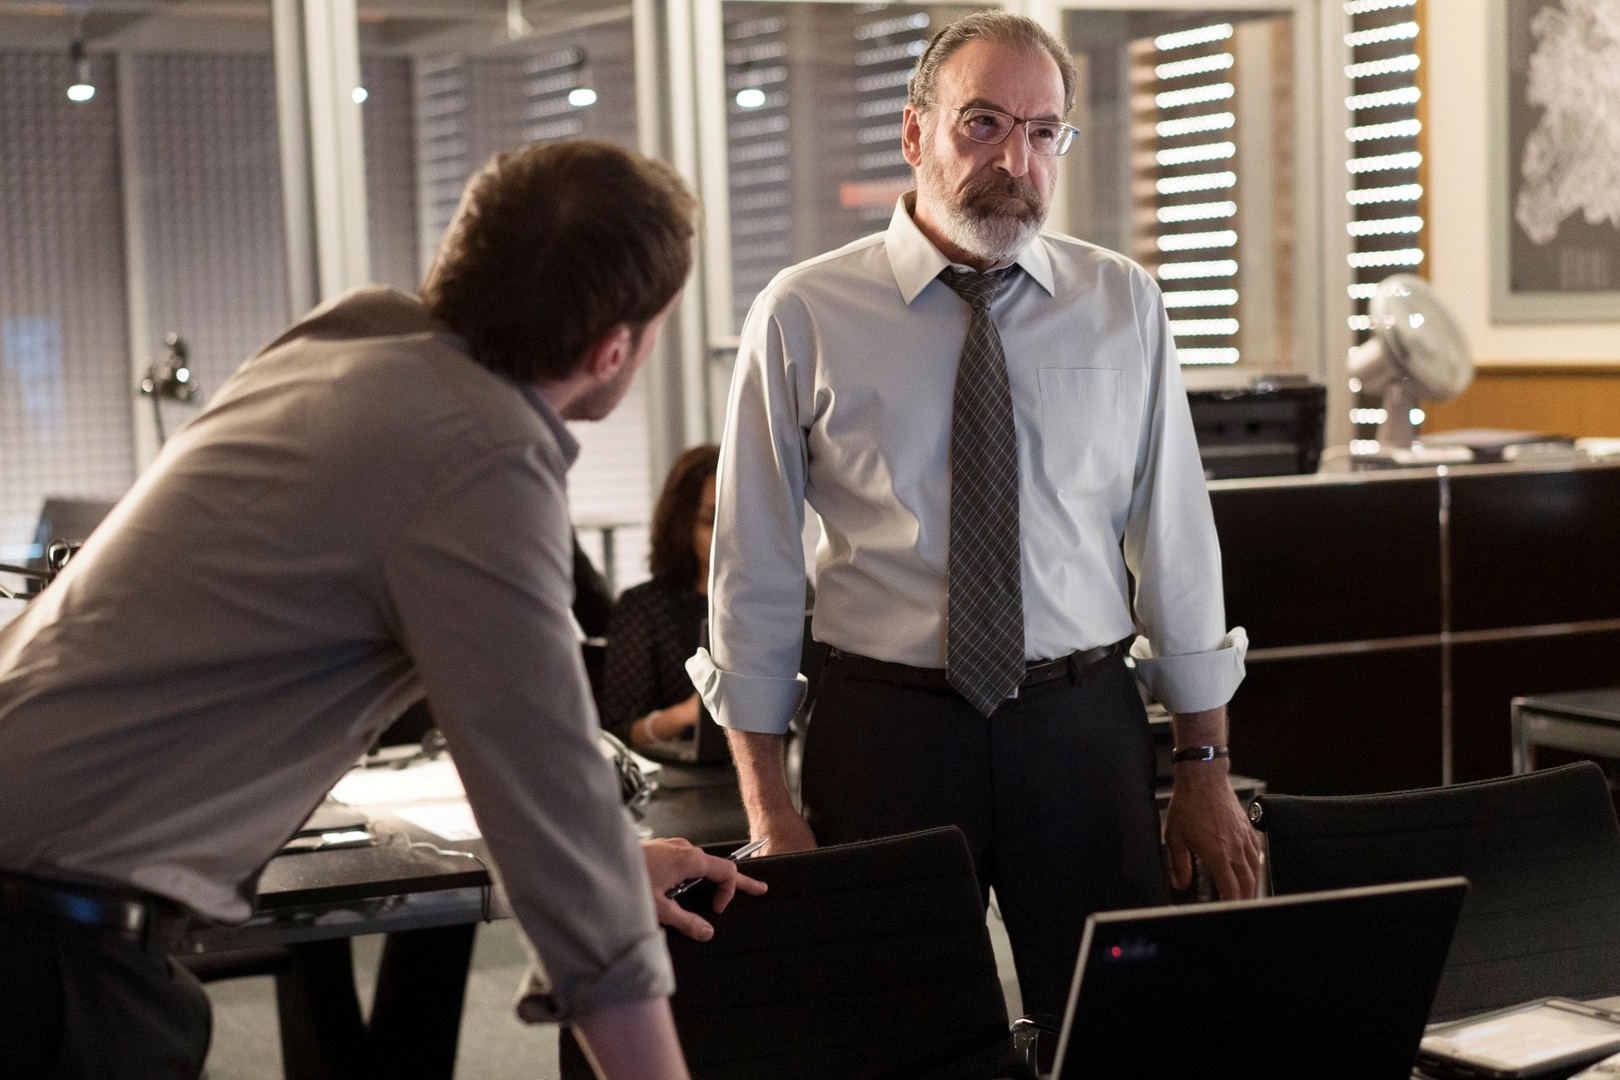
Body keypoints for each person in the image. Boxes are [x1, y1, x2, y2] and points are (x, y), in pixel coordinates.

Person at [0, 140, 761, 1080]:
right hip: (46, 952)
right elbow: (551, 801)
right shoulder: (482, 453)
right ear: (615, 348)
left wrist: (604, 867)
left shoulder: (348, 342)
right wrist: (595, 893)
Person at [687, 12, 1261, 1018]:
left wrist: (1204, 765)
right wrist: (768, 807)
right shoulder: (804, 313)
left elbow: (1175, 545)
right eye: (983, 124)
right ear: (916, 134)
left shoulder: (1121, 303)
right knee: (896, 1034)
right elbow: (754, 575)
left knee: (1124, 1030)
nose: (1015, 161)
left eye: (1042, 132)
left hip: (1081, 731)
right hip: (887, 738)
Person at [598, 444, 719, 750]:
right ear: (682, 525)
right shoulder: (644, 607)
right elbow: (617, 732)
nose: (729, 535)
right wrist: (687, 714)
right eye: (710, 521)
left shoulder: (789, 595)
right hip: (684, 774)